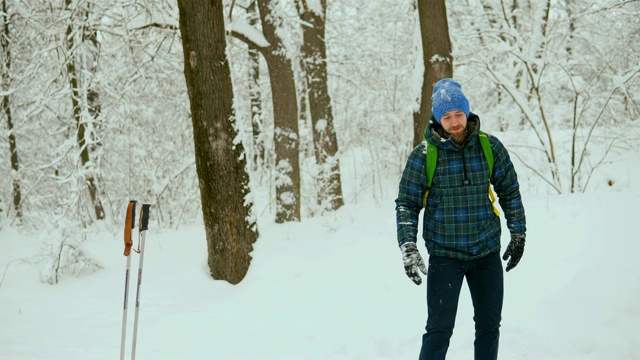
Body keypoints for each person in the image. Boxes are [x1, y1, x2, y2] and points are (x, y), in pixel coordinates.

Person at [395, 78, 526, 360]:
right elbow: (407, 203)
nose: (454, 122)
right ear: (437, 118)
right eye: (447, 116)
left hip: (486, 252)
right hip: (445, 255)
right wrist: (408, 244)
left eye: (458, 114)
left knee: (490, 327)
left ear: (466, 112)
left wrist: (518, 232)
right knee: (439, 330)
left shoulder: (489, 147)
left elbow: (509, 190)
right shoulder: (424, 155)